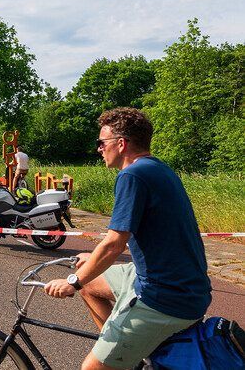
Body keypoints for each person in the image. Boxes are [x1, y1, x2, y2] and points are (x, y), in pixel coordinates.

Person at [43, 108, 211, 370]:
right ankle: (124, 356)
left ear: (121, 144)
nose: (99, 149)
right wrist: (90, 265)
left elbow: (113, 244)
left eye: (102, 143)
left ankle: (115, 360)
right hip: (181, 282)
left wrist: (72, 282)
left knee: (90, 369)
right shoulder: (158, 168)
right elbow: (151, 237)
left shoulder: (132, 175)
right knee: (91, 283)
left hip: (164, 294)